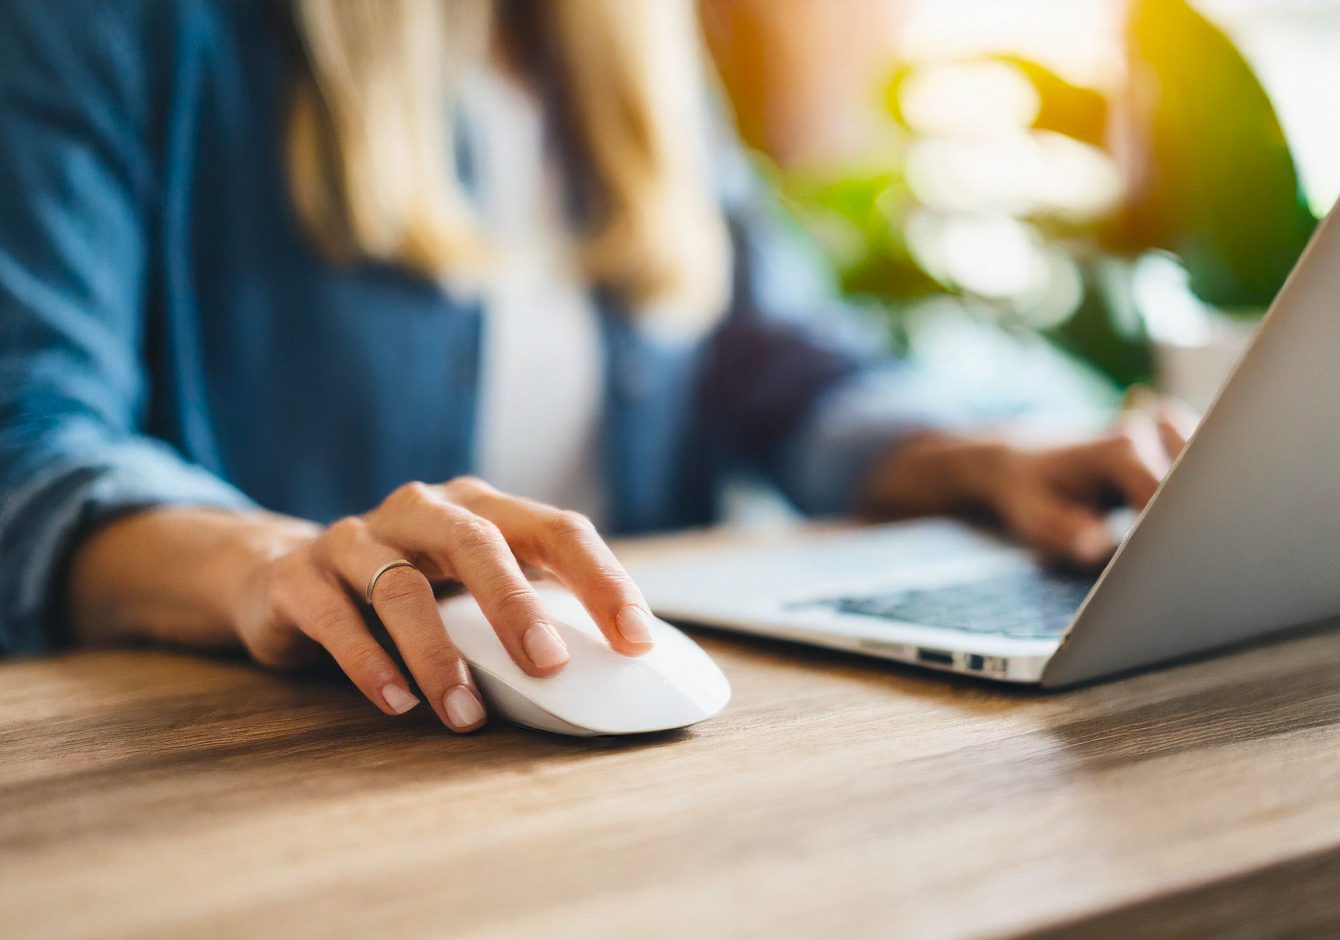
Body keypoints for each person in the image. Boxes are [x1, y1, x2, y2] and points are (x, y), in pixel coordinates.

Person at [0, 0, 1188, 733]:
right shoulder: (122, 26)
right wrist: (272, 561)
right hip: (284, 750)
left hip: (631, 770)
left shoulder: (632, 40)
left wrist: (962, 454)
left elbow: (758, 349)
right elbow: (31, 439)